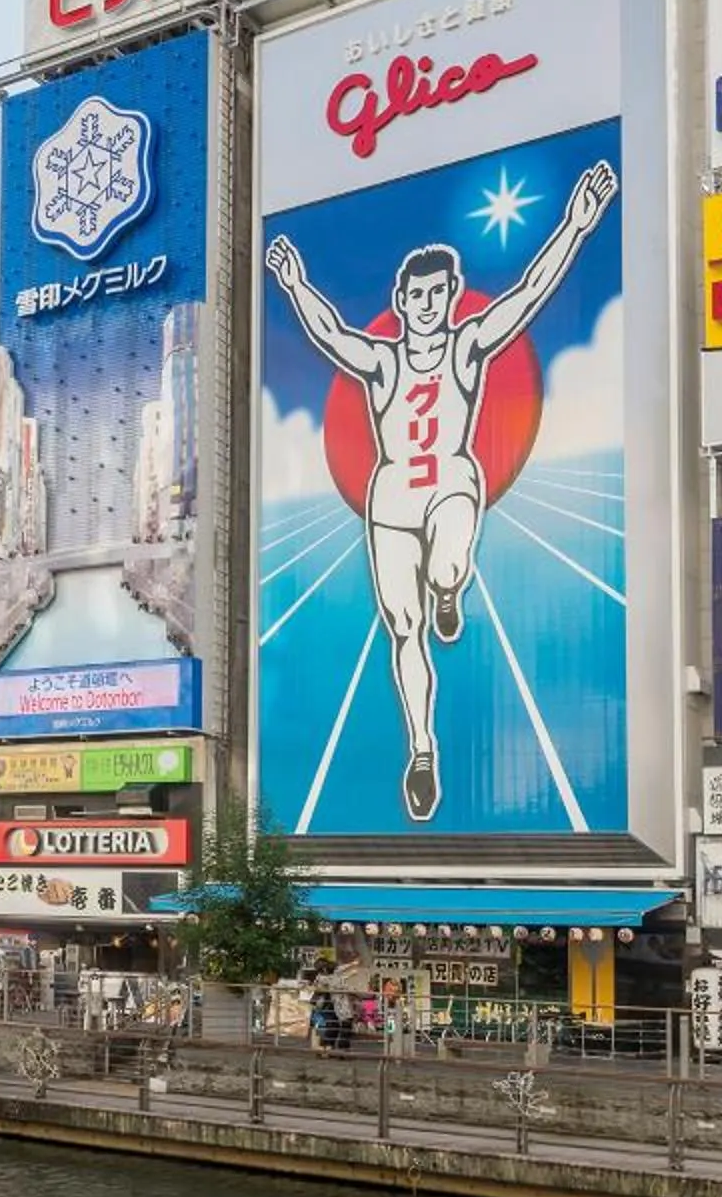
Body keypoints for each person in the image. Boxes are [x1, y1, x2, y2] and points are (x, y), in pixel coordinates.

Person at [262, 158, 618, 822]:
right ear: (401, 302)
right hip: (392, 498)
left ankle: (450, 588)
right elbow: (329, 332)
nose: (427, 305)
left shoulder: (467, 346)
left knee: (447, 564)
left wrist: (576, 223)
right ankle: (422, 750)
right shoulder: (382, 361)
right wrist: (293, 282)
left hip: (451, 479)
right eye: (417, 295)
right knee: (404, 627)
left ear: (451, 296)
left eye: (438, 294)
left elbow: (529, 294)